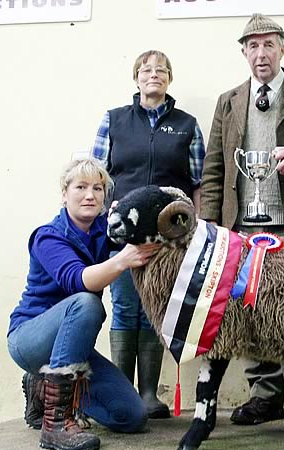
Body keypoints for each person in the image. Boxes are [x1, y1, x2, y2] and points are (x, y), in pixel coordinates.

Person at [200, 13, 284, 434]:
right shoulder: (228, 100)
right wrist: (209, 228)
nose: (261, 53)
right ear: (244, 52)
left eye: (269, 44)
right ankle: (264, 395)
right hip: (241, 228)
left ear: (282, 49)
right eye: (253, 46)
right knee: (249, 311)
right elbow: (213, 169)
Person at [7, 158, 158, 450]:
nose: (90, 195)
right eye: (80, 187)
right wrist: (122, 260)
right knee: (87, 303)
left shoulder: (104, 229)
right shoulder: (47, 236)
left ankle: (41, 388)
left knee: (132, 416)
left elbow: (140, 234)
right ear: (65, 194)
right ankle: (56, 423)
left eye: (98, 188)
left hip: (72, 347)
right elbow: (79, 280)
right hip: (29, 339)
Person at [92, 50, 206, 418]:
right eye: (146, 70)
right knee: (125, 308)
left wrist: (197, 227)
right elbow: (98, 175)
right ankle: (123, 393)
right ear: (136, 78)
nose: (153, 75)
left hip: (167, 240)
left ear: (169, 78)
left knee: (156, 310)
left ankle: (148, 395)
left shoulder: (188, 125)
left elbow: (198, 183)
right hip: (124, 236)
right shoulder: (113, 121)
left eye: (160, 70)